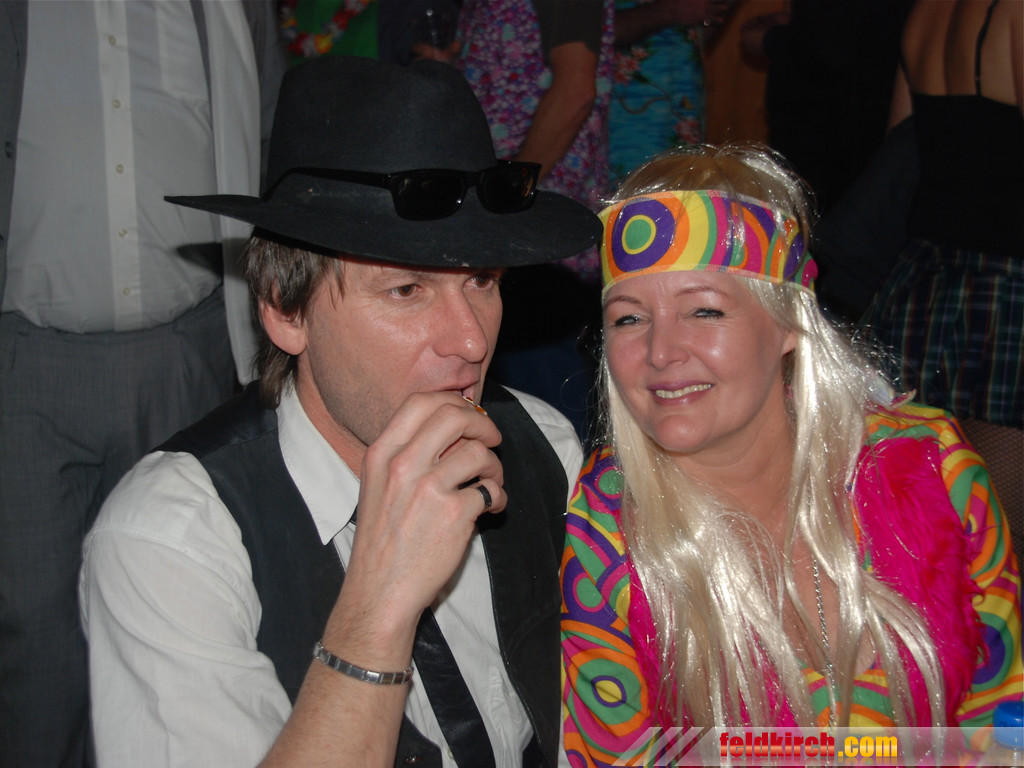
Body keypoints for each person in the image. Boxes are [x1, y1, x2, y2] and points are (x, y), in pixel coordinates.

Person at [80, 55, 597, 767]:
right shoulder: (172, 542)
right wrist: (378, 608)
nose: (472, 341)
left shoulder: (544, 447)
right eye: (407, 291)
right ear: (285, 310)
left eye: (482, 280)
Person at [560, 144, 1021, 765]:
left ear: (788, 323)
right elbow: (614, 754)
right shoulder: (607, 527)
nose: (661, 352)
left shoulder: (929, 464)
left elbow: (1004, 711)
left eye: (704, 310)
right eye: (628, 319)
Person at [0, 3, 285, 765]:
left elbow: (264, 144)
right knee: (33, 640)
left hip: (189, 353)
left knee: (187, 608)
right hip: (23, 363)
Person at [860, 0, 1023, 429]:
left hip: (922, 283)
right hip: (1007, 292)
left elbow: (899, 150)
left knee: (926, 457)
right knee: (1000, 468)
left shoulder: (925, 10)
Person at [609, 0, 733, 183]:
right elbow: (584, 31)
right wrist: (671, 10)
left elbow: (695, 33)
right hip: (621, 123)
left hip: (680, 110)